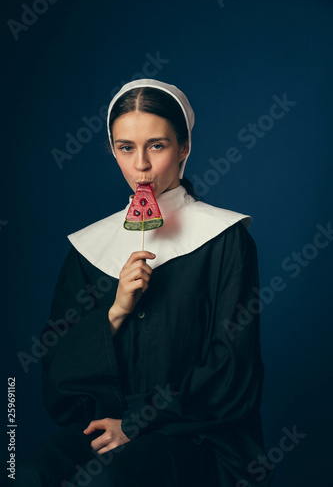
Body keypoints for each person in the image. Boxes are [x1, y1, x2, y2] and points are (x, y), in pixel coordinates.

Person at [10, 79, 274, 486]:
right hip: (105, 427)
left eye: (157, 145)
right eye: (125, 147)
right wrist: (114, 313)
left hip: (199, 434)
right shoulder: (88, 248)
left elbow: (233, 372)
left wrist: (135, 422)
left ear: (184, 147)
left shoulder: (227, 240)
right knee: (27, 474)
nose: (141, 166)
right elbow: (58, 382)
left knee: (111, 480)